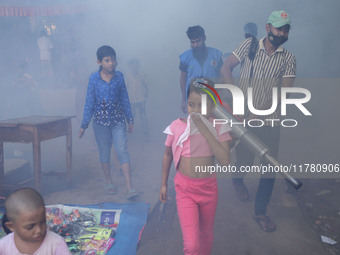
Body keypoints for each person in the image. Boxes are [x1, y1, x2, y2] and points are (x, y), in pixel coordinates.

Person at [221, 10, 296, 232]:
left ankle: (260, 212)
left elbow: (285, 94)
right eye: (279, 28)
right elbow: (226, 68)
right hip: (244, 118)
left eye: (286, 29)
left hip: (270, 122)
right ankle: (237, 179)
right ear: (268, 28)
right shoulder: (249, 46)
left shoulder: (289, 58)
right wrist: (235, 97)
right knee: (244, 160)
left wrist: (259, 112)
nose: (282, 33)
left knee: (269, 167)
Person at [160, 79, 231, 255]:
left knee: (206, 234)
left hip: (208, 189)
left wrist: (204, 128)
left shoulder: (219, 126)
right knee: (191, 244)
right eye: (192, 104)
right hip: (185, 190)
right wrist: (163, 184)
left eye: (202, 105)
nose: (196, 110)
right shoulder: (176, 127)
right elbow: (167, 154)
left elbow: (224, 161)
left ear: (213, 106)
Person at [79, 45, 139, 200]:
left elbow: (125, 98)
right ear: (99, 62)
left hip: (118, 121)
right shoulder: (93, 79)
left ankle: (129, 187)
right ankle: (108, 181)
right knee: (104, 152)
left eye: (113, 59)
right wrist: (84, 125)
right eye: (107, 60)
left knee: (122, 151)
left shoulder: (119, 77)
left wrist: (129, 119)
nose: (111, 63)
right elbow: (89, 102)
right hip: (100, 124)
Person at [0, 187, 71, 254]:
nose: (39, 230)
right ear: (12, 226)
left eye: (42, 222)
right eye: (30, 227)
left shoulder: (56, 243)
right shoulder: (3, 246)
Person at [179, 26, 223, 113]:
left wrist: (220, 95)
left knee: (212, 123)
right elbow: (183, 79)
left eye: (198, 41)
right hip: (193, 99)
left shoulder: (216, 55)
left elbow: (222, 76)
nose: (195, 45)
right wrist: (184, 100)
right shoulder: (185, 58)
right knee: (195, 123)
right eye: (192, 42)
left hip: (212, 98)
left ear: (204, 38)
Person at [125, 58, 149, 140]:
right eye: (132, 65)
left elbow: (145, 85)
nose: (134, 67)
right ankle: (130, 134)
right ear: (130, 66)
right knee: (132, 117)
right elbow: (125, 87)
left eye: (136, 65)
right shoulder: (128, 75)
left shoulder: (141, 75)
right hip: (131, 100)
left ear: (138, 66)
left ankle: (146, 134)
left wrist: (146, 92)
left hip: (141, 99)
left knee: (143, 116)